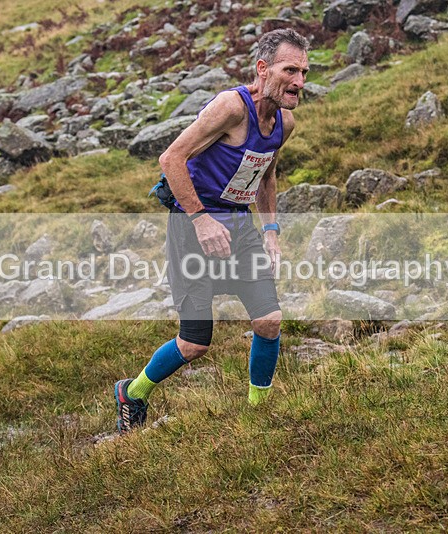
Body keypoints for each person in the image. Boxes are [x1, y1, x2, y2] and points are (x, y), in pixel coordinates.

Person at [114, 28, 310, 434]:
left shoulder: (284, 123)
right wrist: (201, 219)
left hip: (240, 227)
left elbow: (266, 175)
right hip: (192, 227)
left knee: (270, 320)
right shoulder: (230, 108)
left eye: (305, 72)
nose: (299, 82)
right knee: (194, 344)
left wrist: (271, 229)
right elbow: (171, 159)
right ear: (262, 68)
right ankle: (131, 393)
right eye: (290, 70)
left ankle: (259, 415)